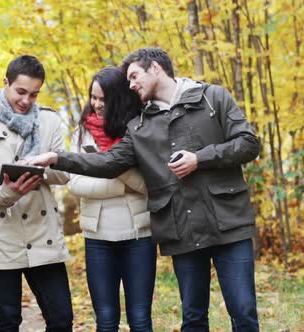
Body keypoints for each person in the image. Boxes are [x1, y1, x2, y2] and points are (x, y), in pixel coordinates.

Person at [27, 47, 260, 331]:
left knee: (244, 312)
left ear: (156, 69)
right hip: (182, 229)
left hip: (228, 224)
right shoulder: (139, 125)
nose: (131, 84)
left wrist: (200, 158)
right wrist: (57, 158)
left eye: (135, 76)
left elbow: (248, 143)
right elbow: (108, 161)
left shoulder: (212, 97)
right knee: (194, 318)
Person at [0, 55, 73, 331]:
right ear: (6, 83)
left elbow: (65, 173)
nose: (26, 101)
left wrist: (40, 166)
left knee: (61, 319)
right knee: (8, 320)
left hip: (43, 234)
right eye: (20, 92)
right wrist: (8, 192)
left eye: (34, 94)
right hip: (3, 233)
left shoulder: (49, 121)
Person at [69, 66, 156, 331]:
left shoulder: (139, 130)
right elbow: (75, 183)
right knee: (106, 320)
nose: (96, 104)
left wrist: (109, 167)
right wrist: (120, 179)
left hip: (138, 235)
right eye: (93, 97)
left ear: (118, 98)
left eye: (103, 99)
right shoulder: (82, 132)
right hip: (98, 238)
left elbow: (151, 185)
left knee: (140, 318)